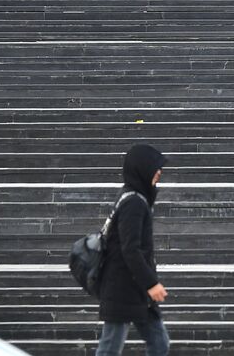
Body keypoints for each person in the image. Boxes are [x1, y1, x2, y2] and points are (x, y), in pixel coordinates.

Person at [93, 143, 170, 356]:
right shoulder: (133, 202)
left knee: (159, 342)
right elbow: (130, 249)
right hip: (123, 287)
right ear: (142, 168)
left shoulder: (135, 197)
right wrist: (151, 283)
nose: (159, 172)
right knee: (111, 347)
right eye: (155, 166)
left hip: (134, 289)